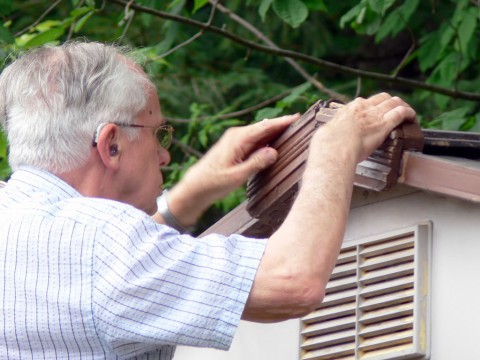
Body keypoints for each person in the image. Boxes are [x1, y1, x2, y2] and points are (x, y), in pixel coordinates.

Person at [0, 41, 416, 359]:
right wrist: (333, 149)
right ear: (110, 145)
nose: (164, 155)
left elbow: (102, 277)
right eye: (157, 134)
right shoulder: (101, 247)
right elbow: (292, 281)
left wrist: (190, 195)